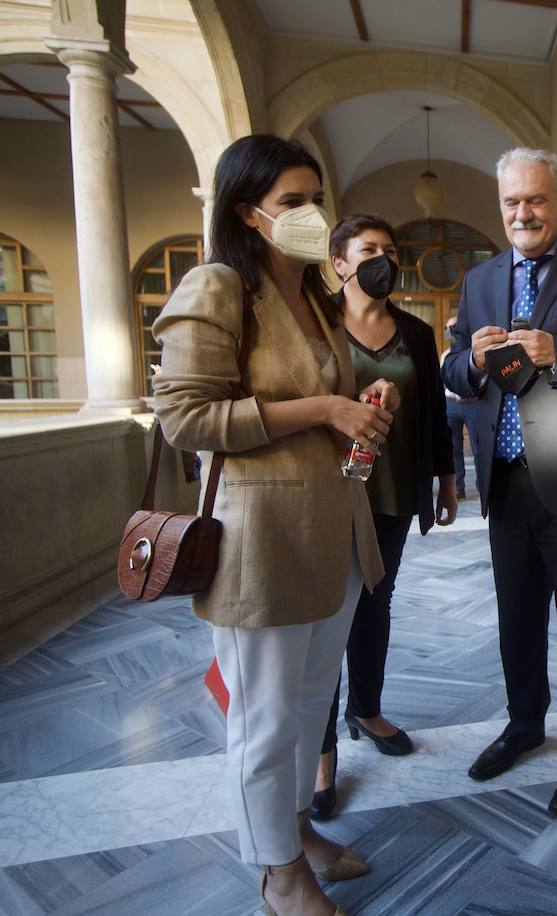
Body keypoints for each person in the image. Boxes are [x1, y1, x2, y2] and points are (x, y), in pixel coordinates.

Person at [153, 135, 397, 916]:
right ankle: (277, 873)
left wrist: (358, 416)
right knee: (263, 721)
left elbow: (324, 403)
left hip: (334, 533)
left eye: (313, 197)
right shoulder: (219, 286)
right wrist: (326, 408)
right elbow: (184, 417)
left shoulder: (318, 297)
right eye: (292, 201)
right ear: (246, 212)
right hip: (261, 540)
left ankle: (296, 832)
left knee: (308, 704)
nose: (309, 213)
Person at [440, 147, 557, 817]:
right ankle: (520, 725)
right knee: (516, 617)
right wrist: (472, 361)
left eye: (536, 200)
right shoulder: (480, 278)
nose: (523, 213)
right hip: (503, 478)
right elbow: (452, 370)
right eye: (512, 202)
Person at [309, 213, 459, 819]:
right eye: (369, 249)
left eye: (390, 250)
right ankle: (321, 757)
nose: (383, 259)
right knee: (325, 617)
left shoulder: (416, 335)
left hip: (391, 491)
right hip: (324, 493)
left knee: (375, 602)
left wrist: (446, 480)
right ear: (339, 263)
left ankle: (364, 709)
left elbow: (433, 416)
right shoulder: (313, 323)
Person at [440, 315, 481, 500]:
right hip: (451, 405)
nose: (451, 332)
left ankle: (482, 486)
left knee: (478, 448)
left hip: (472, 404)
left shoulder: (475, 354)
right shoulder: (445, 356)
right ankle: (459, 488)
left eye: (454, 327)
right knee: (454, 449)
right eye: (447, 328)